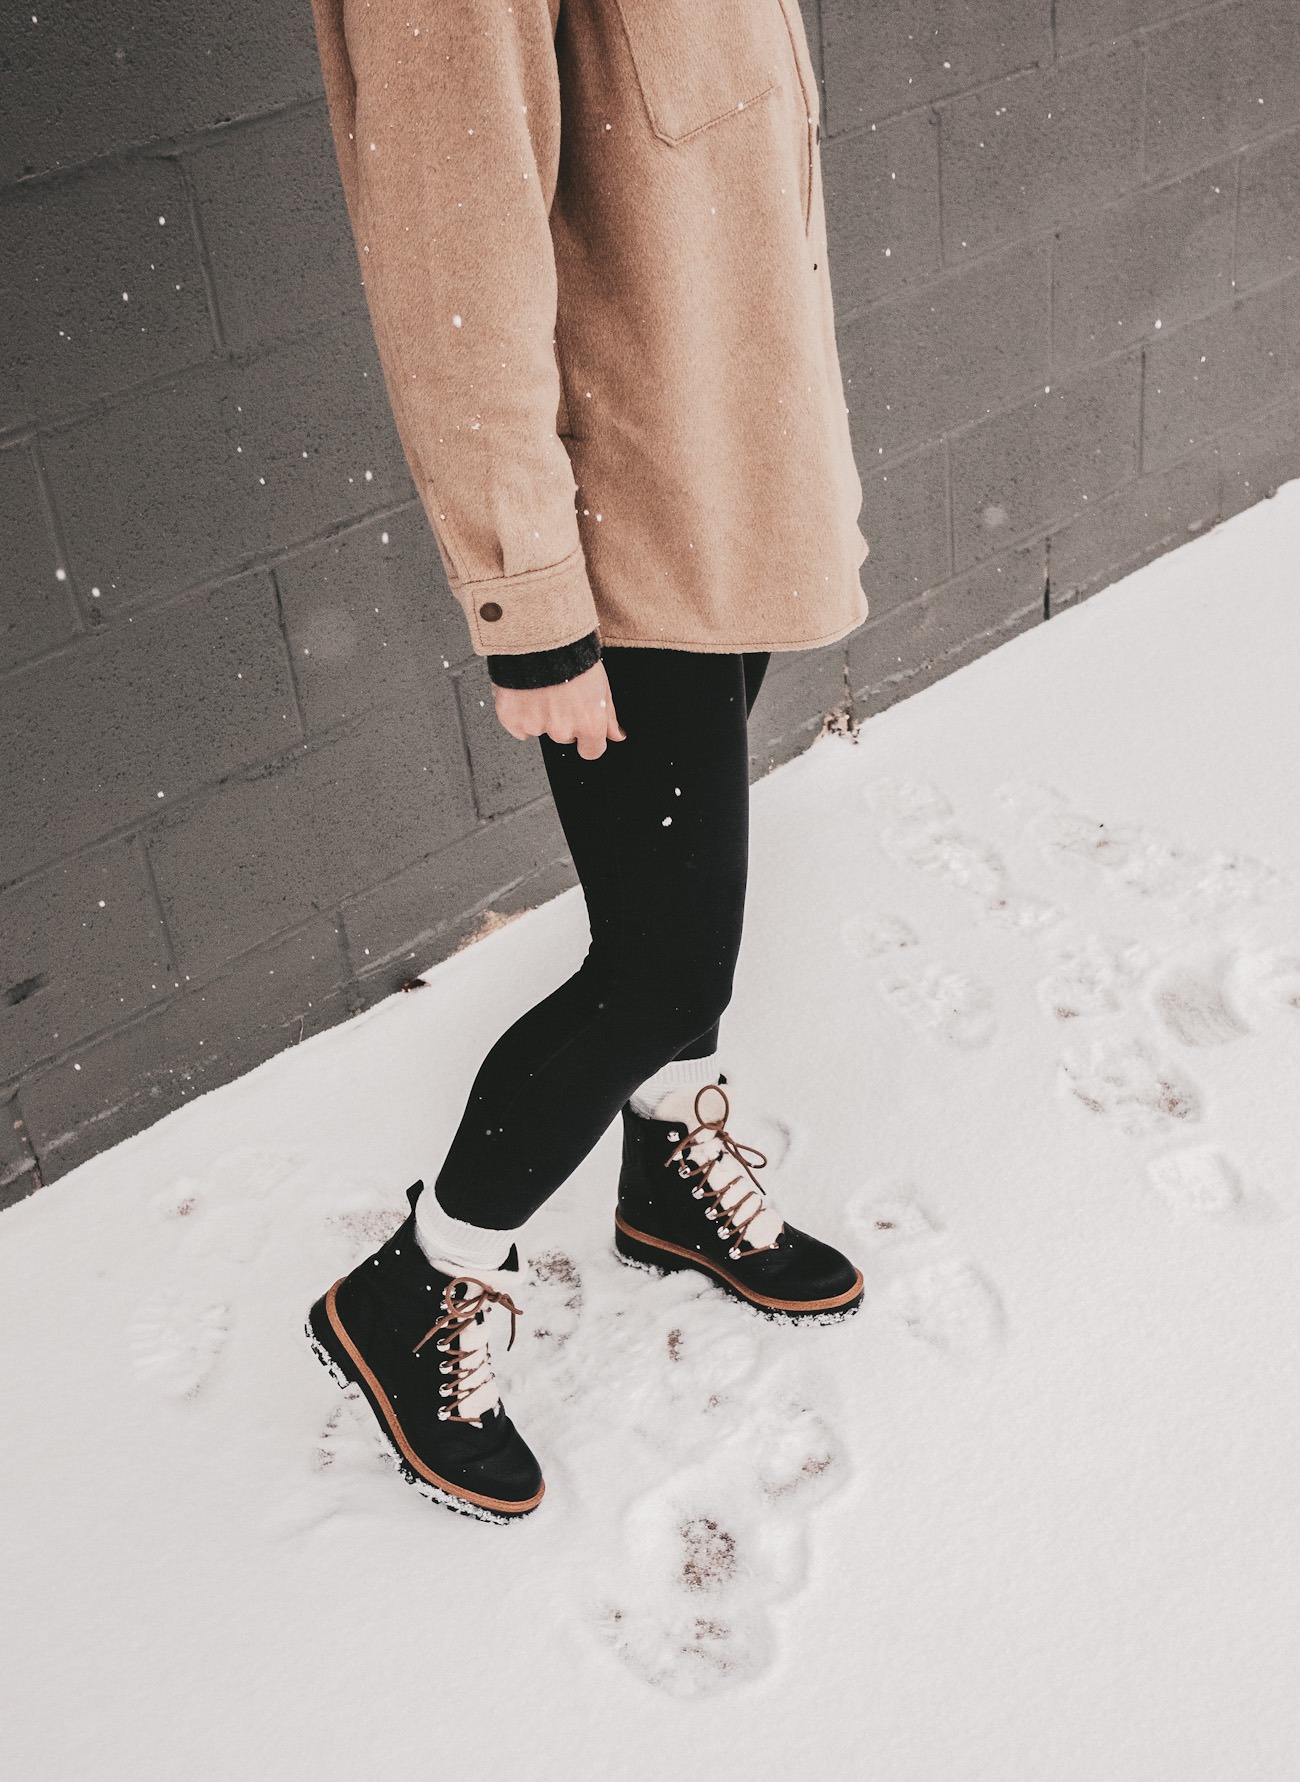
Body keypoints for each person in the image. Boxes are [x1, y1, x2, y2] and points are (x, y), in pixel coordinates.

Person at [306, 0, 871, 1521]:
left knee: (669, 932)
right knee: (662, 971)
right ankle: (416, 1291)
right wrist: (532, 608)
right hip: (616, 528)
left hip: (729, 471)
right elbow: (455, 248)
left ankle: (668, 1173)